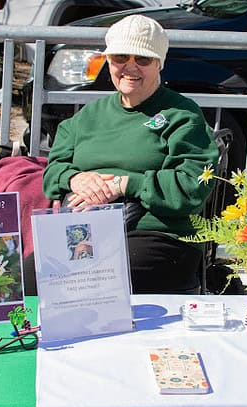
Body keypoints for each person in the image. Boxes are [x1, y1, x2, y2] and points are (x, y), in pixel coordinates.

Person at [42, 14, 219, 294]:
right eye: (120, 57)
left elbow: (192, 185)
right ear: (109, 61)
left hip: (159, 233)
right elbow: (53, 170)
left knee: (91, 281)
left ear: (160, 63)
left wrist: (124, 184)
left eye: (143, 59)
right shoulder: (88, 116)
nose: (130, 67)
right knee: (29, 278)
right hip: (86, 229)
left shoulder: (182, 116)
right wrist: (75, 179)